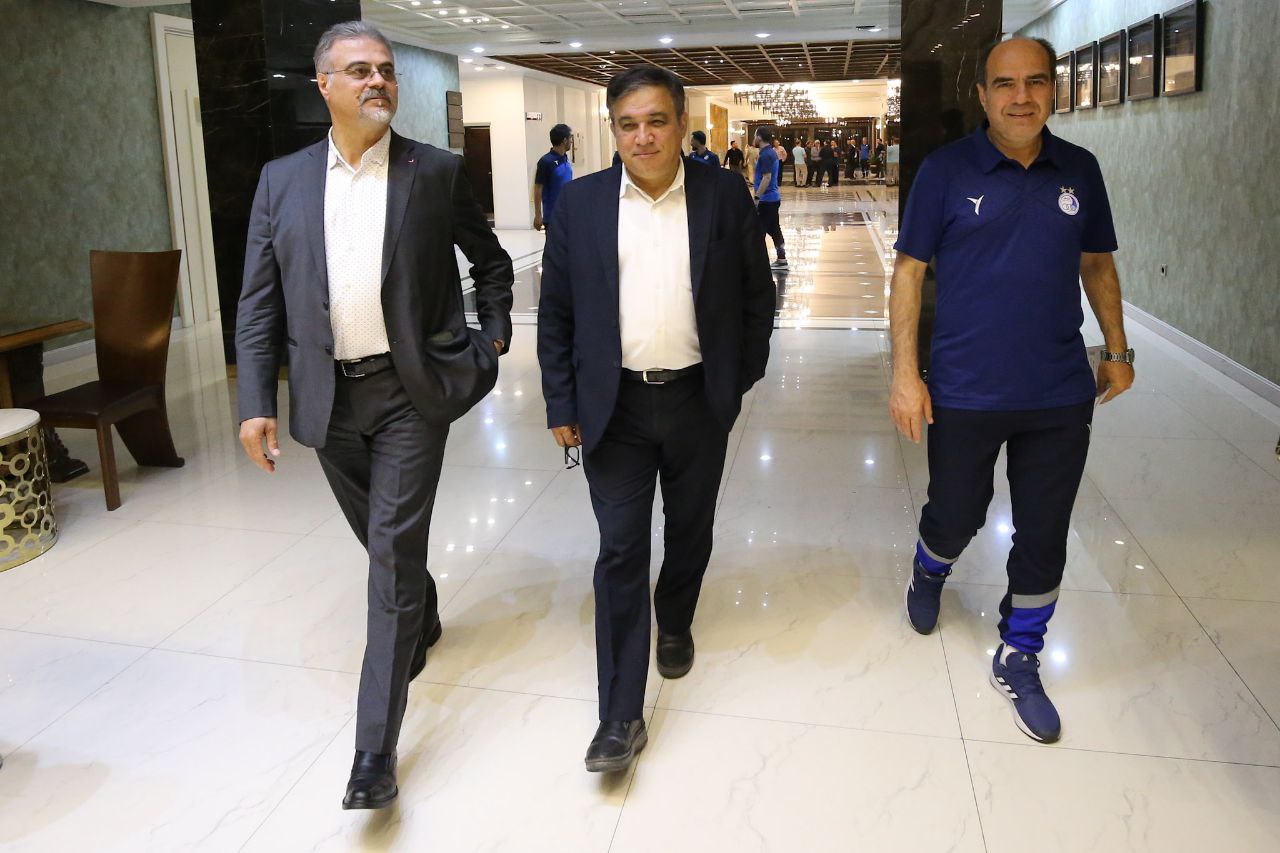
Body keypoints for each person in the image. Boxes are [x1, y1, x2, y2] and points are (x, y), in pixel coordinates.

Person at [235, 21, 514, 809]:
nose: (377, 81)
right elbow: (257, 303)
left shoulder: (435, 171)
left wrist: (490, 334)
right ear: (322, 84)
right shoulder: (281, 181)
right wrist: (256, 402)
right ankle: (424, 612)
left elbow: (490, 261)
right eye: (358, 70)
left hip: (409, 394)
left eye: (385, 69)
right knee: (380, 538)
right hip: (327, 400)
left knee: (389, 559)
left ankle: (373, 751)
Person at [888, 36, 1134, 745]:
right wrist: (905, 374)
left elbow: (1096, 263)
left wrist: (1117, 349)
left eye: (1035, 82)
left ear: (1054, 89)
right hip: (965, 388)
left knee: (1045, 530)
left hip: (1058, 390)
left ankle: (1020, 653)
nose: (1020, 97)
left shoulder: (1080, 169)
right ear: (983, 94)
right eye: (1004, 83)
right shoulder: (945, 170)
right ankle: (930, 567)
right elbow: (908, 272)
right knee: (957, 511)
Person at [537, 65, 775, 774]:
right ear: (613, 129)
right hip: (613, 408)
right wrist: (561, 402)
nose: (642, 137)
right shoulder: (581, 204)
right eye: (628, 124)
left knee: (690, 529)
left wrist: (737, 379)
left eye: (656, 121)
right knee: (619, 549)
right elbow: (556, 313)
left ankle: (674, 618)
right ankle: (619, 715)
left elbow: (755, 296)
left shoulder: (722, 194)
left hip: (699, 400)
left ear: (680, 124)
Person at [753, 127, 788, 267]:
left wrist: (757, 198)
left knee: (758, 232)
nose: (754, 139)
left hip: (767, 200)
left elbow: (766, 178)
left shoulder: (766, 155)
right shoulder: (770, 153)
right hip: (772, 198)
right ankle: (782, 259)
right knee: (774, 230)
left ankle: (759, 264)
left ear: (759, 138)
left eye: (755, 136)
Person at [534, 123, 573, 231]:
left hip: (567, 214)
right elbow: (538, 188)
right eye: (570, 138)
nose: (571, 141)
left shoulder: (565, 158)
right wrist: (538, 215)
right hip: (552, 217)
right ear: (564, 140)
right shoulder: (545, 162)